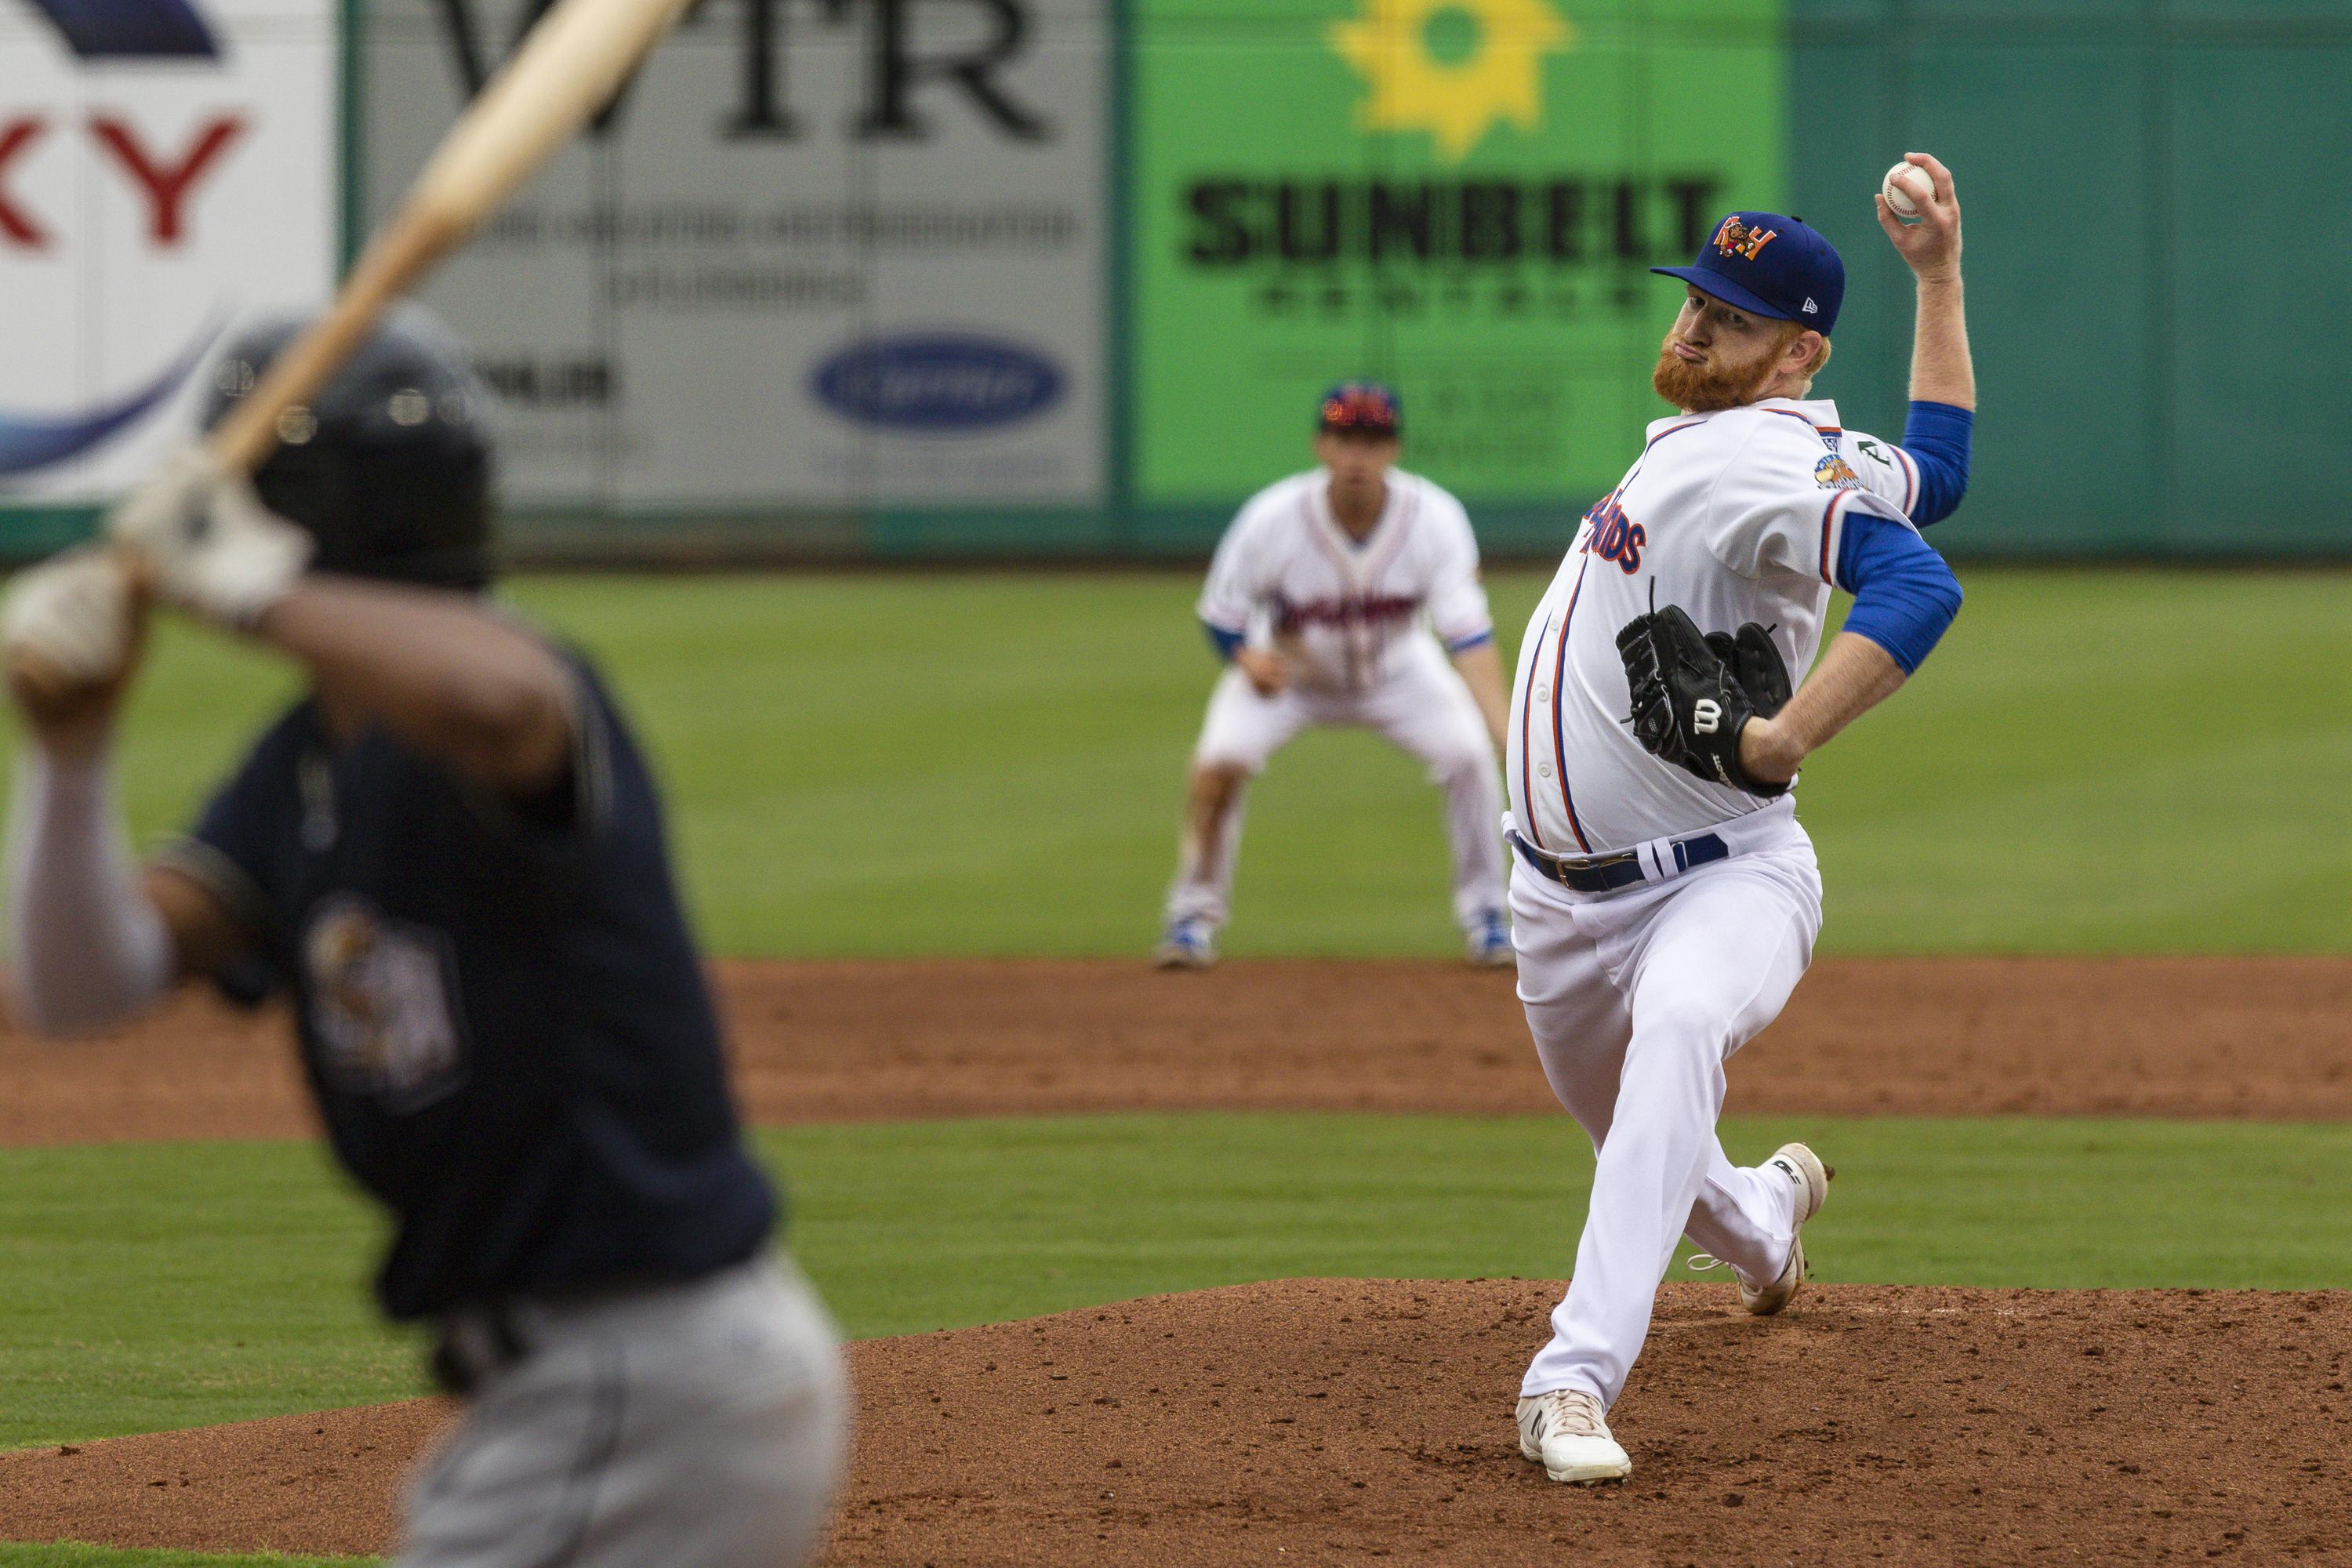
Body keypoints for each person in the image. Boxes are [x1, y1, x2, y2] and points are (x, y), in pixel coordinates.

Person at [2, 307, 850, 1566]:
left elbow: (507, 704)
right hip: (594, 1388)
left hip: (643, 1373)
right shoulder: (305, 762)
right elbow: (79, 988)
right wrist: (73, 757)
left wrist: (244, 588)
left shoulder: (503, 694)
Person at [1506, 155, 1975, 1484]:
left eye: (1733, 318)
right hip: (1556, 901)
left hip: (1724, 878)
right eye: (1697, 299)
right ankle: (1768, 1221)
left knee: (1679, 1032)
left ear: (1796, 354)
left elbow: (1916, 577)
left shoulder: (1757, 458)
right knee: (1656, 1148)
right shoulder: (1784, 444)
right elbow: (1932, 472)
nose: (1695, 326)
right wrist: (1938, 277)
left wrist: (1786, 735)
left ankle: (1571, 1381)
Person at [1156, 382, 1514, 969]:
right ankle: (1192, 916)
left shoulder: (1435, 518)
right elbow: (1221, 614)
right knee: (1218, 763)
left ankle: (1486, 917)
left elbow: (1468, 636)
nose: (1357, 455)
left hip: (1402, 672)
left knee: (1470, 756)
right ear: (1320, 445)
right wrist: (1246, 658)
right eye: (1344, 438)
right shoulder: (1271, 518)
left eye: (1372, 440)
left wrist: (1502, 728)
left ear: (1394, 449)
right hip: (1289, 675)